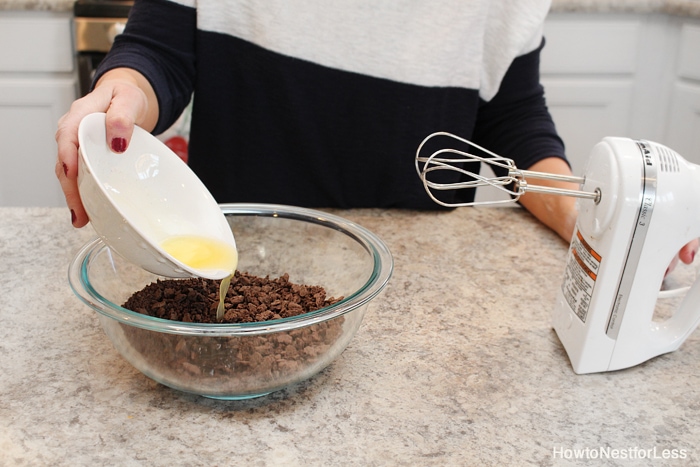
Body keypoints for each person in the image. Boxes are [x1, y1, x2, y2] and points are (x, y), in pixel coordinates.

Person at [55, 0, 697, 265]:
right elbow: (159, 55)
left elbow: (513, 123)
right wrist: (122, 95)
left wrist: (603, 226)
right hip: (237, 250)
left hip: (409, 276)